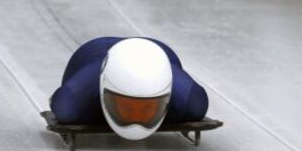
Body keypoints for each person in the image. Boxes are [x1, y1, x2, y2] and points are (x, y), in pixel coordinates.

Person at [50, 37, 208, 140]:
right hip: (92, 53)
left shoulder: (191, 100)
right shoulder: (70, 101)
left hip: (156, 52)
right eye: (126, 107)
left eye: (147, 109)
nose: (136, 120)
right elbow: (61, 101)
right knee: (65, 108)